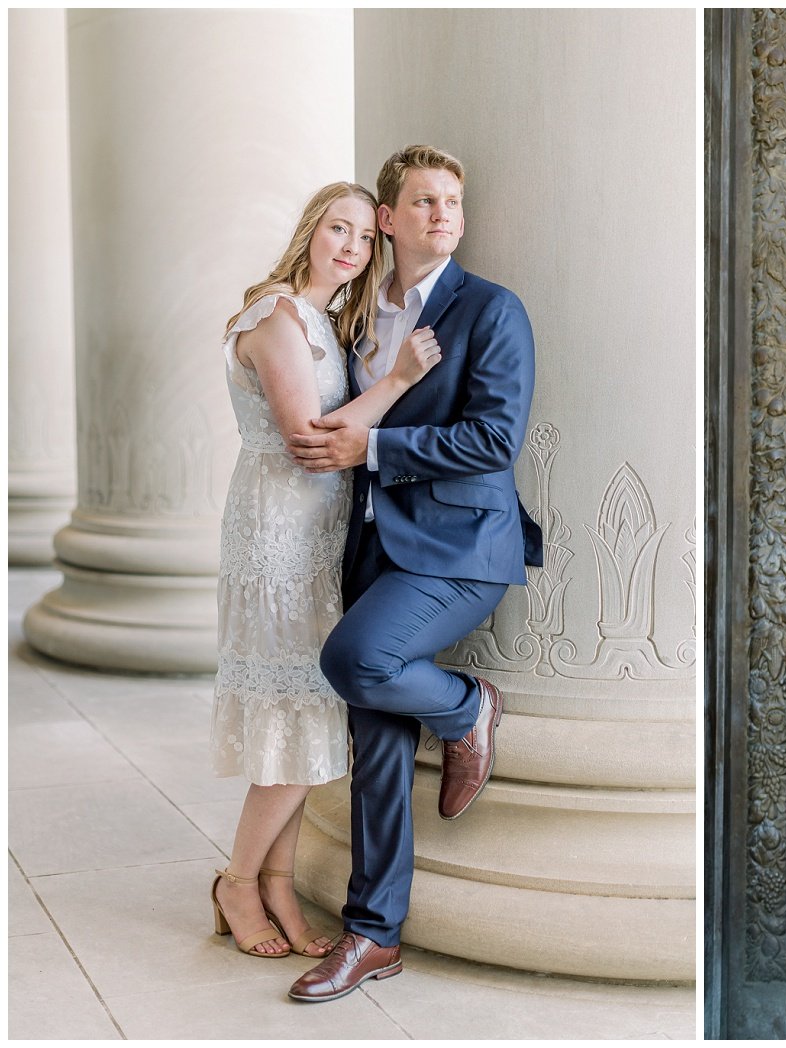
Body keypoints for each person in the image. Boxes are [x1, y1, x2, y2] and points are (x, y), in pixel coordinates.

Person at [283, 145, 542, 1002]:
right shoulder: (361, 317)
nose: (443, 215)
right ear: (388, 220)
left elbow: (495, 440)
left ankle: (470, 707)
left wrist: (377, 445)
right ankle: (373, 935)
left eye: (453, 202)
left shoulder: (493, 311)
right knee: (375, 738)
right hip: (373, 546)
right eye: (424, 201)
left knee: (356, 662)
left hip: (464, 548)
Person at [211, 182, 443, 958]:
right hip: (276, 538)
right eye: (336, 229)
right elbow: (308, 436)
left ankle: (278, 883)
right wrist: (400, 379)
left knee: (311, 712)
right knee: (292, 707)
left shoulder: (323, 322)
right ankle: (238, 884)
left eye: (363, 237)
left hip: (317, 539)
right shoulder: (277, 317)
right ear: (311, 232)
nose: (350, 246)